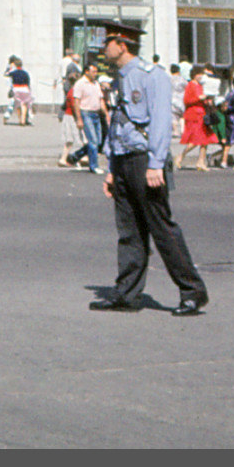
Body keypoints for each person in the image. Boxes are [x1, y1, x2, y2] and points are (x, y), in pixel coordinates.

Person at [90, 22, 207, 316]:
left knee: (161, 227)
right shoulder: (119, 79)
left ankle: (192, 291)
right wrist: (111, 167)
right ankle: (127, 293)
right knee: (129, 230)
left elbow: (160, 121)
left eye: (108, 43)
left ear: (122, 45)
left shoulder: (152, 77)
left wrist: (155, 163)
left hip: (146, 160)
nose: (104, 49)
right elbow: (117, 126)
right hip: (124, 159)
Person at [175, 67, 217, 171]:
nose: (201, 76)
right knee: (196, 140)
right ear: (194, 74)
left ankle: (201, 162)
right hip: (193, 115)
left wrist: (207, 100)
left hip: (201, 114)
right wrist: (199, 98)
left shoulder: (199, 86)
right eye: (199, 74)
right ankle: (181, 155)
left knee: (204, 140)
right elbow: (186, 100)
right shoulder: (190, 85)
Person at [72, 63, 108, 173]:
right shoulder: (80, 84)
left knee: (98, 141)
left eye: (96, 72)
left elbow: (101, 100)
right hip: (86, 113)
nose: (95, 74)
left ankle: (76, 155)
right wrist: (79, 119)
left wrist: (106, 114)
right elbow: (76, 102)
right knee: (93, 141)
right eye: (93, 72)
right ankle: (94, 166)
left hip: (96, 114)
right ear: (86, 72)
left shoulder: (96, 84)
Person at [5, 55, 32, 125]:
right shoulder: (25, 73)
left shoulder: (14, 73)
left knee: (18, 106)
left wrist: (9, 68)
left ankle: (20, 119)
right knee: (24, 105)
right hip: (25, 89)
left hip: (16, 89)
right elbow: (28, 82)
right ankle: (23, 120)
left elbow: (6, 74)